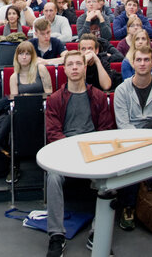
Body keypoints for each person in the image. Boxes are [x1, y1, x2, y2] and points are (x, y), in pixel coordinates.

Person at [44, 51, 114, 257]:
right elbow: (53, 133)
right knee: (54, 178)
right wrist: (72, 151)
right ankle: (56, 235)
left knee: (110, 177)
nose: (74, 67)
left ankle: (97, 230)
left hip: (92, 153)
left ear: (85, 68)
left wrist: (90, 151)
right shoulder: (55, 99)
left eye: (78, 64)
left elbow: (105, 130)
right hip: (65, 154)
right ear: (64, 69)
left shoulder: (99, 97)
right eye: (70, 64)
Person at [112, 44, 152, 230]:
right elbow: (123, 125)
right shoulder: (122, 90)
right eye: (138, 60)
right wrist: (142, 144)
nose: (142, 63)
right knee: (130, 160)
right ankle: (128, 206)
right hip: (131, 137)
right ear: (132, 63)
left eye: (147, 60)